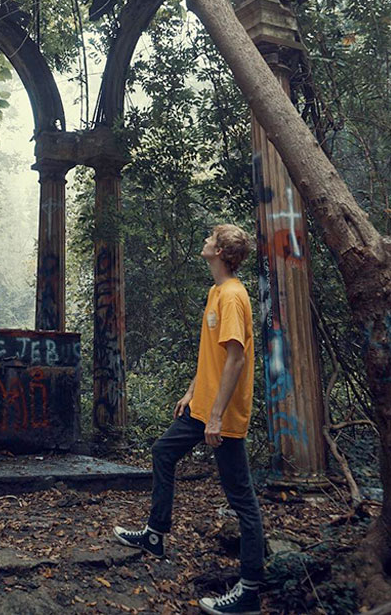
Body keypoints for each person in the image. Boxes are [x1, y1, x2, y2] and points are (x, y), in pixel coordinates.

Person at [113, 224, 265, 615]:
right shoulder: (216, 291)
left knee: (242, 500)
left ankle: (250, 590)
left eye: (210, 238)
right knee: (163, 452)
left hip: (222, 415)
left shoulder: (232, 296)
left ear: (221, 252)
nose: (205, 241)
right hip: (203, 408)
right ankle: (155, 534)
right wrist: (193, 391)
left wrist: (215, 416)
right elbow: (213, 356)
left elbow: (236, 357)